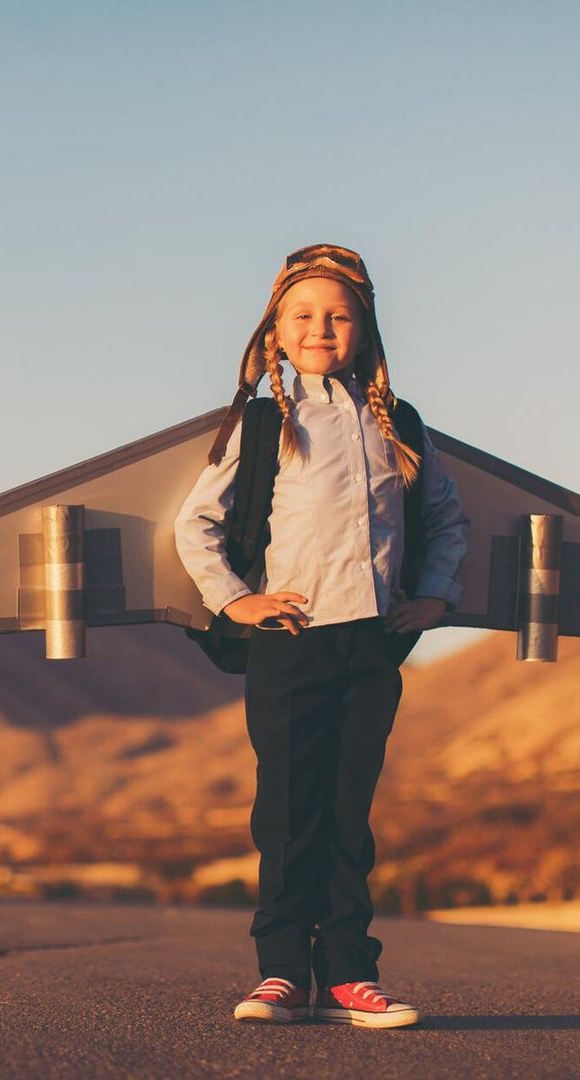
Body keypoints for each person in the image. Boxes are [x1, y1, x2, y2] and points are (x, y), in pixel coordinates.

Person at [173, 243, 469, 1029]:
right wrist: (236, 599)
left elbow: (443, 517)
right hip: (290, 640)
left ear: (365, 330)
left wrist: (434, 597)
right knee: (286, 810)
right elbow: (195, 521)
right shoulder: (265, 421)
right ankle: (280, 974)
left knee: (347, 811)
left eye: (338, 316)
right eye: (303, 315)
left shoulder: (398, 423)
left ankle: (347, 974)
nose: (320, 328)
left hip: (369, 644)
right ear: (276, 329)